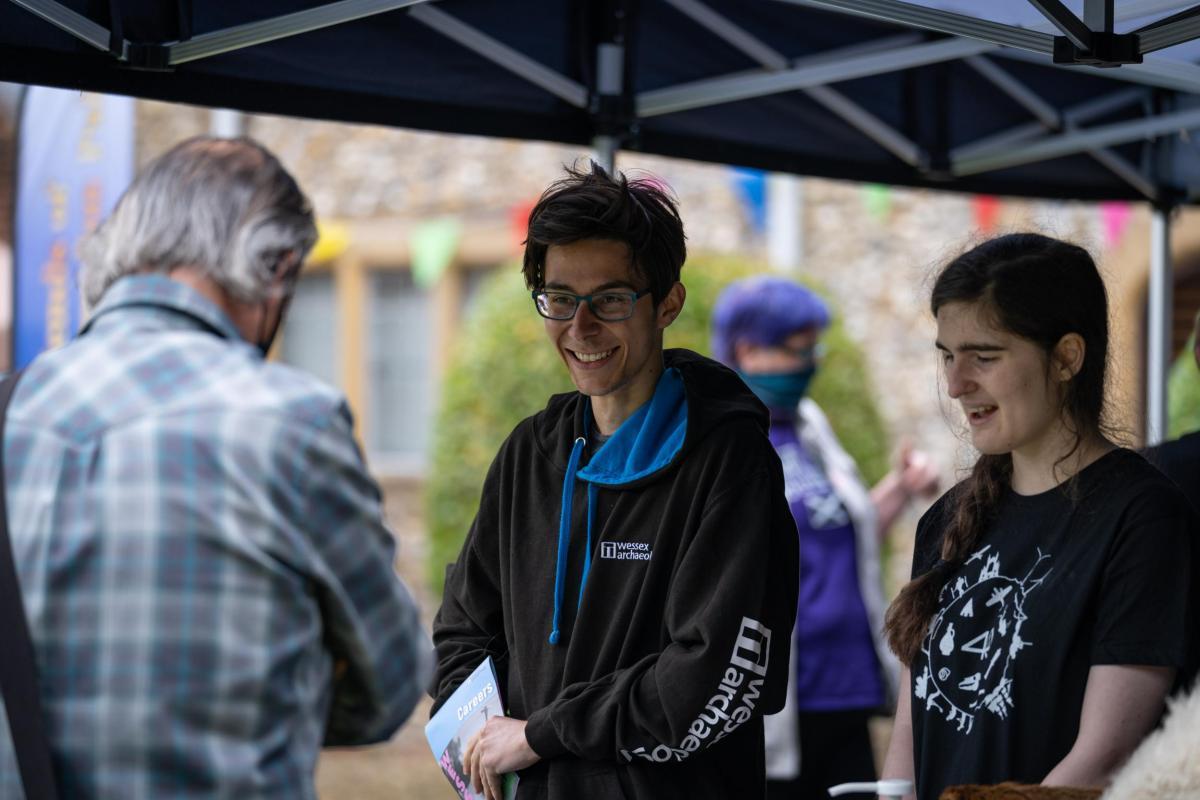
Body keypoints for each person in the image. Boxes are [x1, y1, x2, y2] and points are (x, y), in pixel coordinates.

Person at [0, 137, 430, 798]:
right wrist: (270, 701)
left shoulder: (9, 410)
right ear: (278, 268)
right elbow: (391, 685)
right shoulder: (294, 422)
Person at [431, 163, 800, 800]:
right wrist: (481, 732)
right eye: (559, 299)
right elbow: (462, 627)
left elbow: (711, 673)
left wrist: (541, 733)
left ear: (667, 304)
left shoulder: (728, 461)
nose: (580, 328)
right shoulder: (529, 454)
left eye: (608, 299)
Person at [880, 233, 1198, 800]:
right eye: (948, 356)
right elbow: (911, 733)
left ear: (1066, 358)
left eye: (984, 356)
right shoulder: (946, 520)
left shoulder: (1143, 517)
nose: (956, 384)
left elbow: (1105, 755)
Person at [710, 276, 940, 799]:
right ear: (748, 350)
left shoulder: (810, 425)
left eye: (816, 346)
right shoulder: (722, 439)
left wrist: (901, 489)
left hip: (846, 687)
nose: (812, 361)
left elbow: (842, 531)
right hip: (783, 697)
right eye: (798, 349)